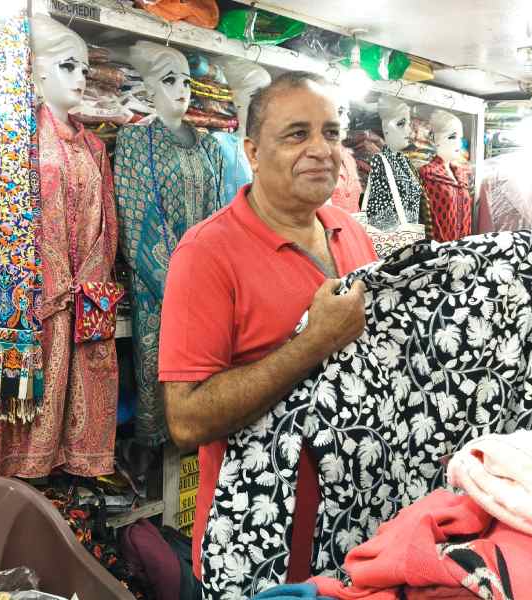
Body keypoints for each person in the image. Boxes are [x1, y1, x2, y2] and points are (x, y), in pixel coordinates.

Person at [158, 71, 378, 584]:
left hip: (356, 530)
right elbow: (186, 420)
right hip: (260, 546)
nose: (323, 150)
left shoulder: (353, 233)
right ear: (253, 153)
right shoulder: (207, 253)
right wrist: (313, 343)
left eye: (332, 133)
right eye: (297, 134)